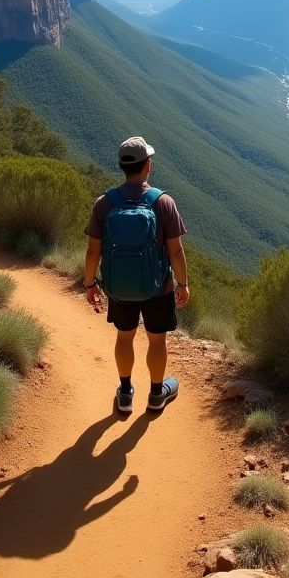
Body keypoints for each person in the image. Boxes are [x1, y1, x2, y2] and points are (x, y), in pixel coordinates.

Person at [84, 135, 190, 414]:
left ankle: (126, 392)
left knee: (125, 336)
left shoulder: (104, 203)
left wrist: (89, 283)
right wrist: (183, 284)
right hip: (158, 288)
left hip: (119, 287)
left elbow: (93, 251)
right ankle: (156, 394)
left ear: (122, 166)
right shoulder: (163, 202)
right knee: (157, 339)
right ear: (149, 166)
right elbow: (176, 252)